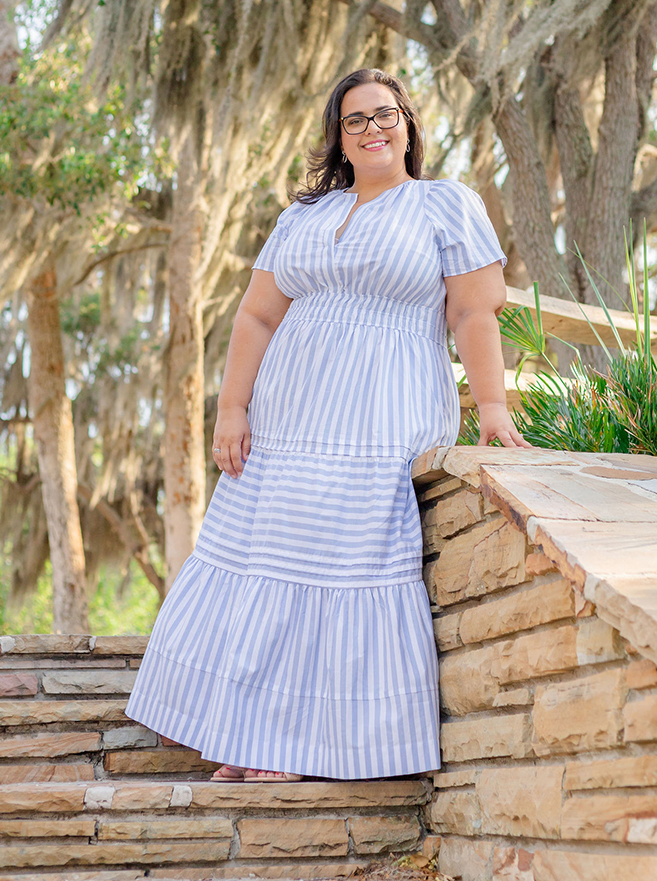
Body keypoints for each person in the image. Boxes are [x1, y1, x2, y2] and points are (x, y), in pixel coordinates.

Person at [125, 68, 527, 781]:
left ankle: (303, 747)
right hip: (287, 416)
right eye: (356, 120)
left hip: (380, 410)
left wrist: (491, 407)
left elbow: (473, 312)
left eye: (385, 115)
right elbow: (256, 315)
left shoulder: (445, 205)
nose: (373, 129)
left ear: (407, 124)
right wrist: (231, 407)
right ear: (338, 138)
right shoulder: (303, 217)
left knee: (341, 559)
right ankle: (247, 740)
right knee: (264, 559)